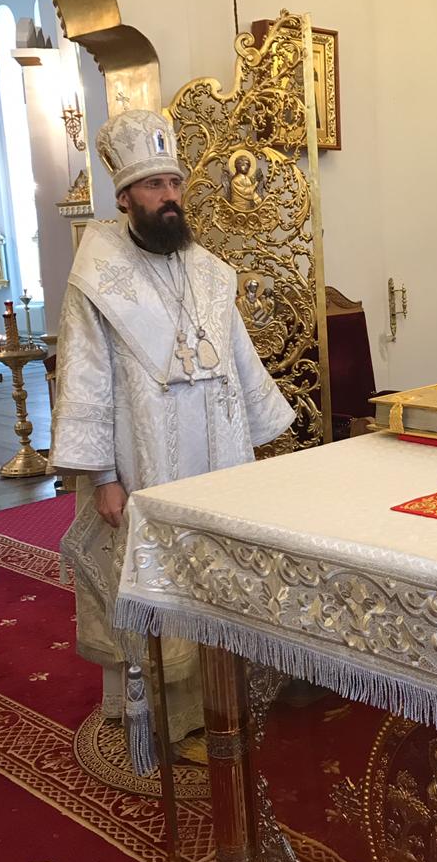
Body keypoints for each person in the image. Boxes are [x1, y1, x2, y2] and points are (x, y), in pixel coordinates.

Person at [51, 109, 295, 742]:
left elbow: (238, 355)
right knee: (159, 581)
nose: (168, 197)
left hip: (220, 456)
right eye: (154, 185)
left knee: (221, 571)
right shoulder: (96, 277)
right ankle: (168, 715)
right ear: (124, 196)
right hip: (146, 459)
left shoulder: (209, 270)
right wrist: (102, 477)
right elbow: (85, 377)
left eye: (174, 183)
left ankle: (225, 703)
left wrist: (263, 434)